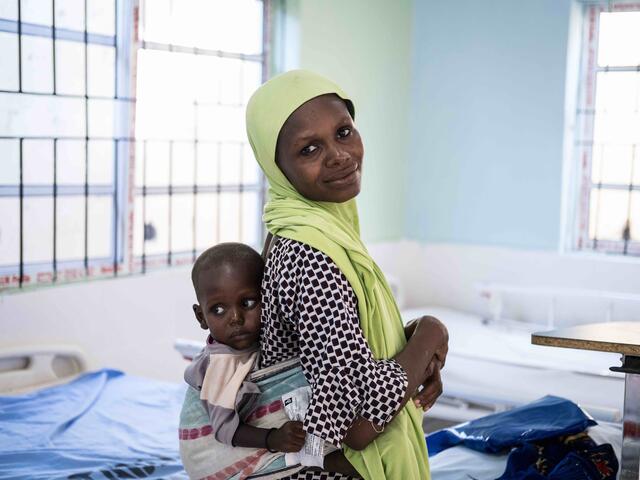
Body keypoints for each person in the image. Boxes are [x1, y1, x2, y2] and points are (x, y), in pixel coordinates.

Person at [246, 69, 449, 480]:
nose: (339, 155)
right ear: (277, 168)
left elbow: (336, 350)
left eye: (343, 132)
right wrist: (428, 335)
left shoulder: (310, 231)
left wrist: (411, 343)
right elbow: (357, 421)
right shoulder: (310, 254)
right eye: (308, 150)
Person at [183, 242, 358, 478]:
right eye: (218, 310)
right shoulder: (219, 365)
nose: (236, 318)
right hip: (219, 459)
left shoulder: (270, 340)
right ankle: (325, 461)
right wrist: (272, 438)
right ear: (200, 316)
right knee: (349, 463)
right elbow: (224, 430)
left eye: (248, 303)